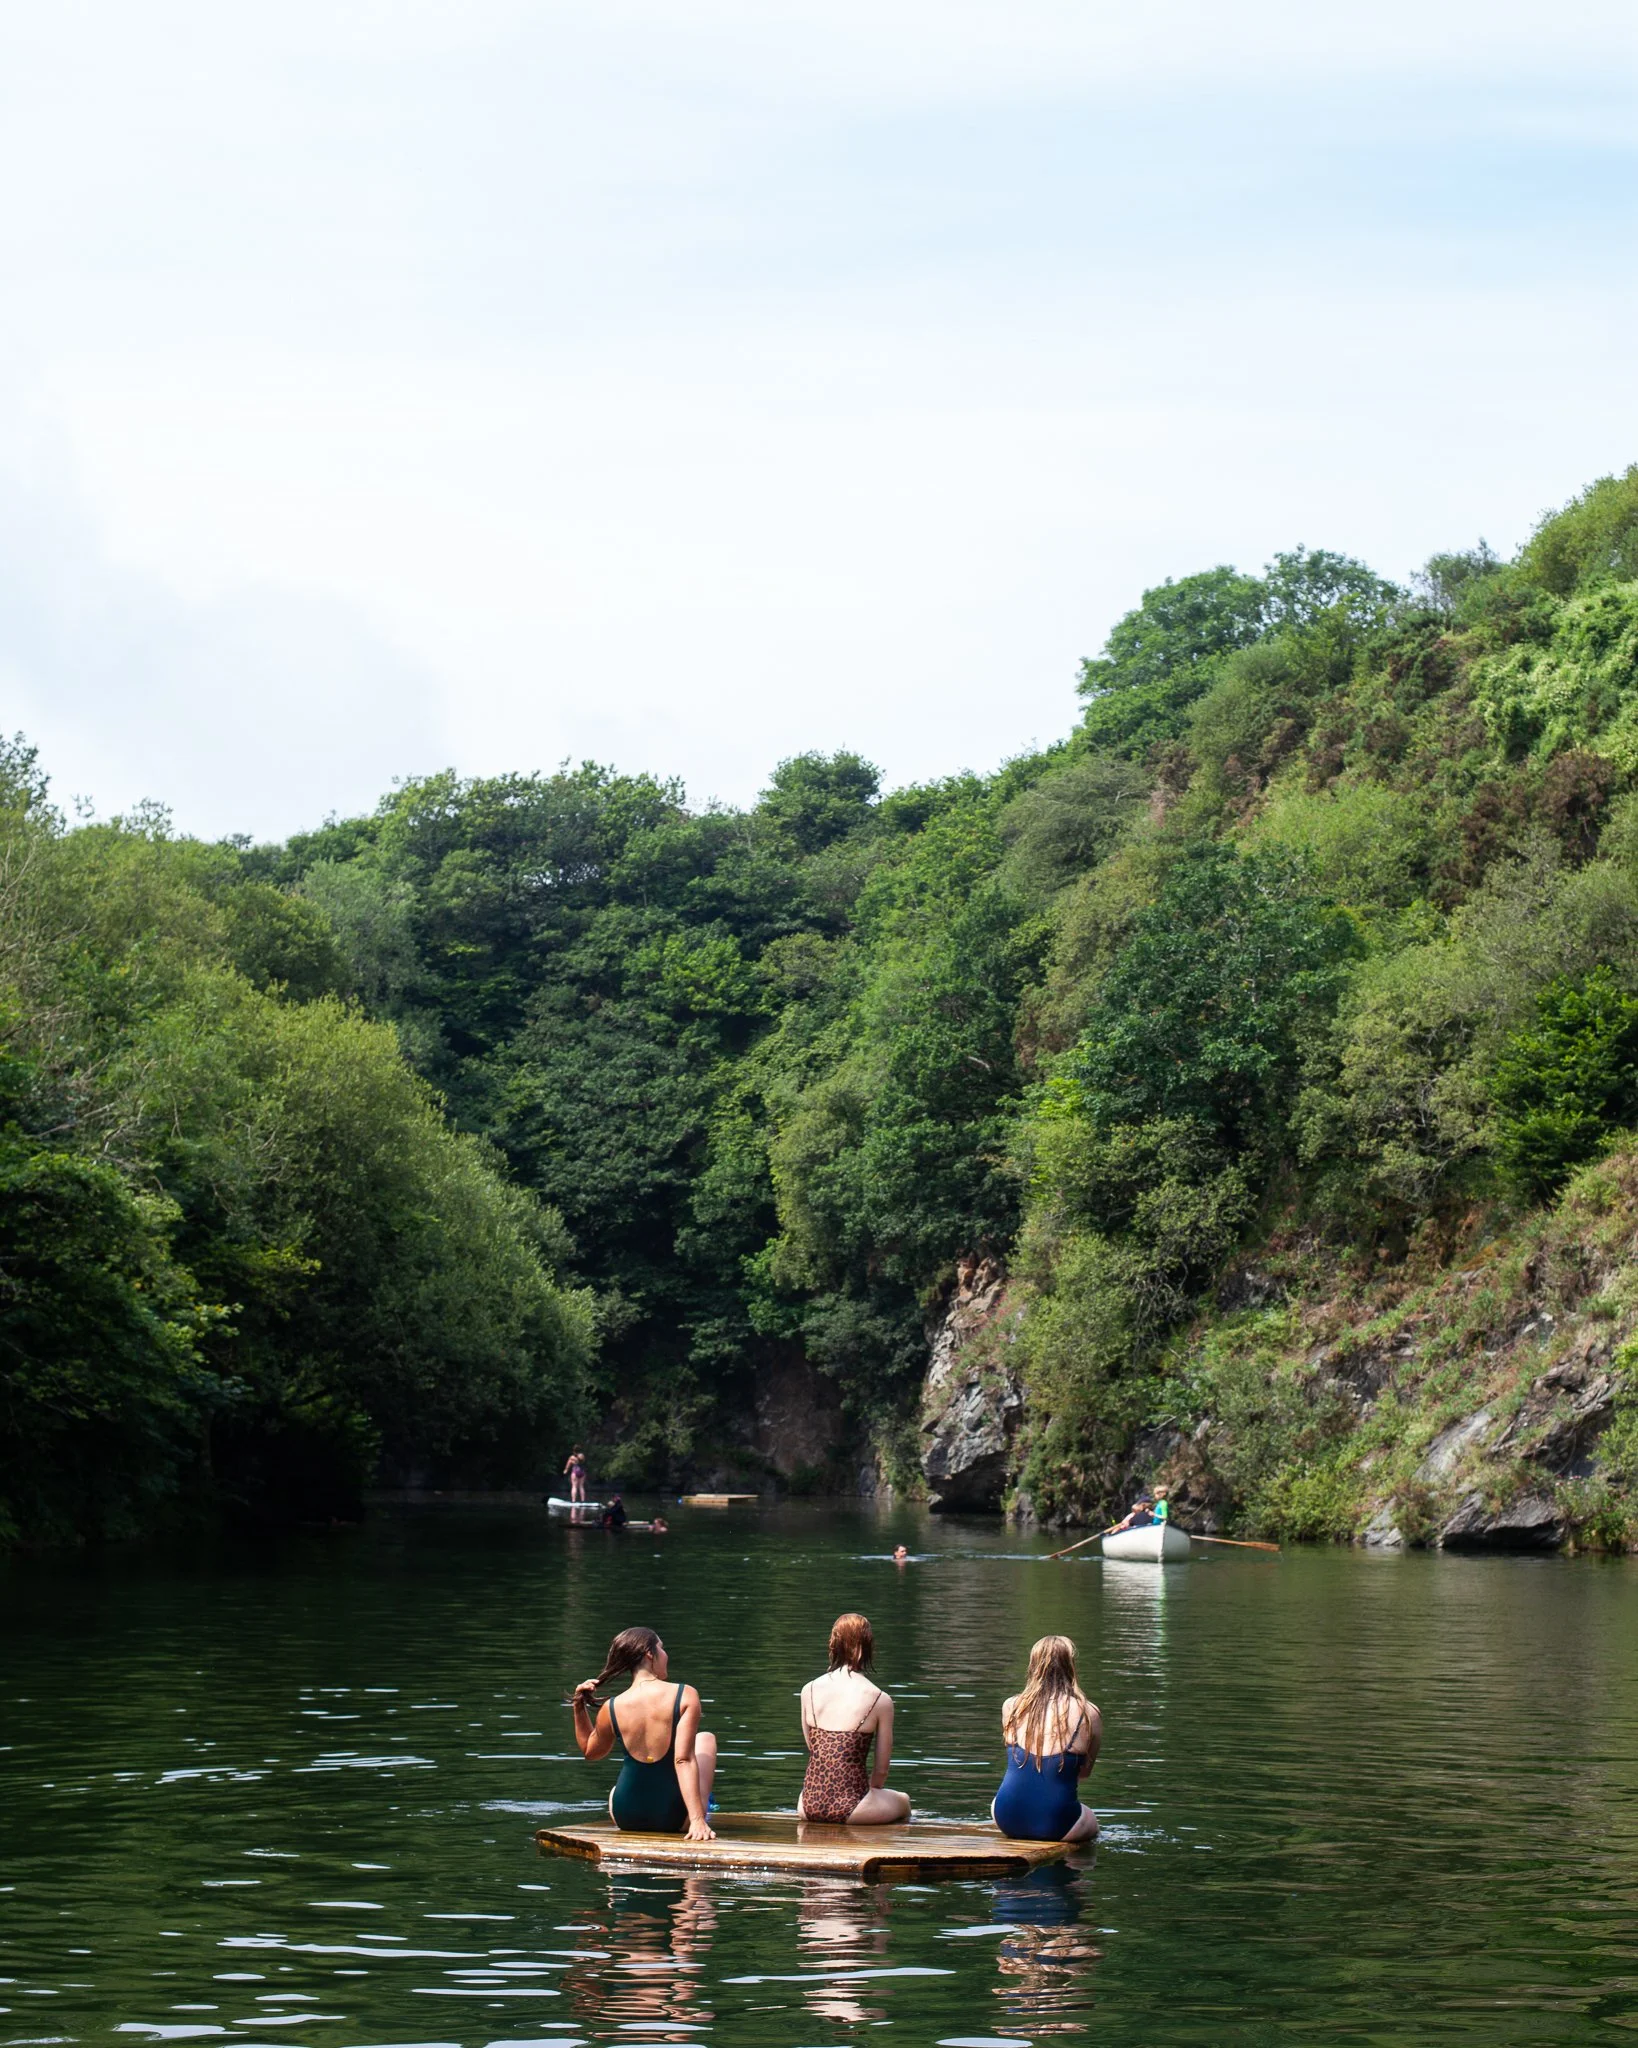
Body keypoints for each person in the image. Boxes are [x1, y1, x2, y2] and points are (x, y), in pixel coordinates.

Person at [570, 1626, 716, 1841]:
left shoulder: (611, 1706)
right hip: (674, 1818)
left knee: (614, 1791)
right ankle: (700, 1811)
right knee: (705, 1739)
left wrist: (578, 1706)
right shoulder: (686, 1694)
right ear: (650, 1653)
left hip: (625, 1815)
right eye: (662, 1648)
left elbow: (591, 1753)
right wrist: (696, 1821)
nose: (666, 1655)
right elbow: (683, 1760)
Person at [797, 1612, 911, 1826]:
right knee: (903, 1801)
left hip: (807, 1804)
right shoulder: (880, 1699)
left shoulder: (808, 1690)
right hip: (854, 1808)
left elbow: (814, 1749)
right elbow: (881, 1771)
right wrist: (870, 1793)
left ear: (833, 1645)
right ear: (868, 1648)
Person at [992, 1635, 1100, 1844]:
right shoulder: (1089, 1713)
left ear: (1033, 1665)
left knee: (1003, 1798)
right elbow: (1084, 1774)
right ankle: (1076, 1875)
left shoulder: (1011, 1706)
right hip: (1058, 1825)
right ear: (1071, 1666)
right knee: (1091, 1819)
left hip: (1005, 1817)